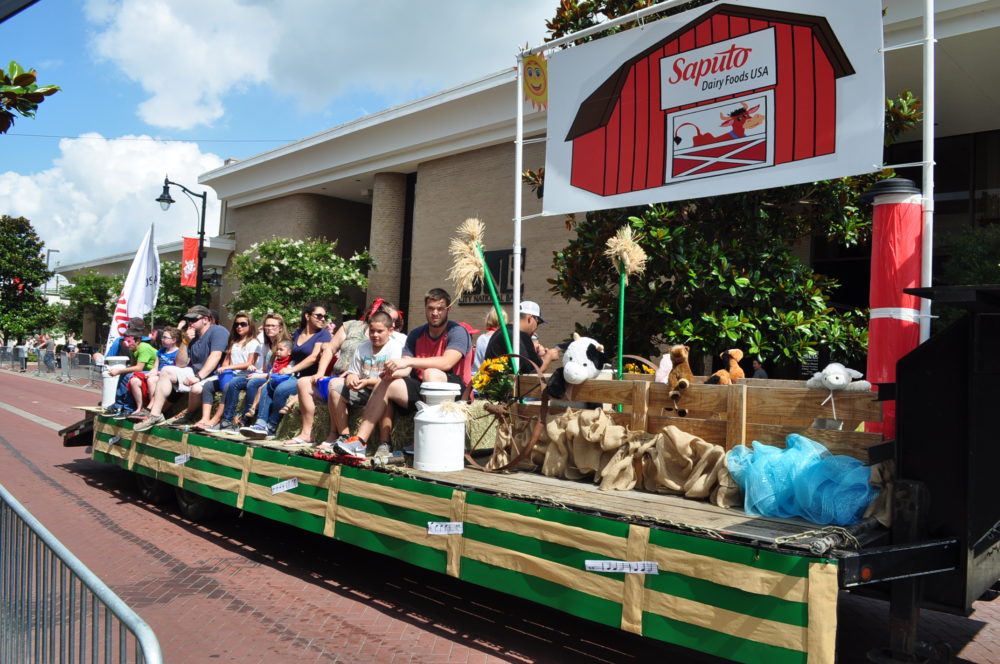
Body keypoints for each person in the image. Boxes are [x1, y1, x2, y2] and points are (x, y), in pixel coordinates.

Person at [335, 288, 472, 458]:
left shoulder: (457, 331)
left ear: (448, 310)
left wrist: (409, 361)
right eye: (431, 308)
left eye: (440, 308)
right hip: (422, 389)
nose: (435, 313)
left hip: (453, 393)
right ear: (425, 309)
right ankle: (359, 442)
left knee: (431, 373)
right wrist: (392, 371)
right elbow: (405, 368)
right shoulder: (416, 334)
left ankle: (426, 437)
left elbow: (447, 362)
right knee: (385, 382)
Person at [288, 299, 405, 446]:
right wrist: (323, 373)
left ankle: (344, 436)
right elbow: (331, 349)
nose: (375, 333)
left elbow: (394, 374)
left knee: (336, 385)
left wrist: (358, 378)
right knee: (308, 382)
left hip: (372, 384)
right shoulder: (353, 330)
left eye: (393, 321)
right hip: (348, 380)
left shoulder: (394, 343)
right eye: (373, 330)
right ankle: (312, 433)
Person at [240, 302, 331, 439]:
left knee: (281, 390)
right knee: (267, 386)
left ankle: (272, 426)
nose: (323, 319)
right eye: (319, 315)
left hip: (308, 378)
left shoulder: (323, 335)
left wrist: (290, 370)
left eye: (325, 316)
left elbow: (314, 358)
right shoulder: (298, 333)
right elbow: (284, 350)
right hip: (292, 374)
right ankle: (260, 423)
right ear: (307, 316)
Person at [134, 306, 230, 432]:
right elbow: (180, 364)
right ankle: (155, 414)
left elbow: (215, 356)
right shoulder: (192, 337)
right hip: (195, 372)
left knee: (196, 388)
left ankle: (188, 415)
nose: (190, 323)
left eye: (194, 320)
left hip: (216, 373)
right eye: (189, 320)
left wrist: (198, 377)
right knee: (167, 370)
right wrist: (185, 342)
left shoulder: (218, 331)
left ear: (206, 320)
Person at [194, 312, 260, 430]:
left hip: (246, 376)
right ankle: (205, 417)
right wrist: (223, 369)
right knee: (208, 385)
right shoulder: (233, 342)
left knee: (228, 386)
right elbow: (226, 361)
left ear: (250, 326)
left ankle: (218, 418)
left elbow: (250, 363)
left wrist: (227, 368)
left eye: (243, 324)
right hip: (231, 374)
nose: (239, 326)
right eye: (236, 324)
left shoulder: (253, 343)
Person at [484, 301, 561, 374]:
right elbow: (532, 373)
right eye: (538, 323)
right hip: (504, 386)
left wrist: (539, 357)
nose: (537, 327)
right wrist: (549, 357)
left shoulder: (504, 331)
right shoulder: (519, 336)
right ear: (530, 318)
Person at [102, 326, 158, 417]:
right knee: (125, 374)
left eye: (129, 341)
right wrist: (122, 371)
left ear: (138, 340)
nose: (126, 344)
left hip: (152, 372)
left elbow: (139, 368)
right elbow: (133, 365)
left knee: (128, 376)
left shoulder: (143, 348)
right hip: (143, 372)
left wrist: (119, 370)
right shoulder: (133, 348)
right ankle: (118, 405)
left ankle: (129, 407)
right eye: (125, 341)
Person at [129, 326, 183, 418]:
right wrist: (152, 372)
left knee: (152, 380)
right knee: (134, 379)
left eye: (165, 337)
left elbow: (176, 369)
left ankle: (153, 408)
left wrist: (157, 373)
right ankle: (139, 408)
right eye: (162, 337)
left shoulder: (178, 352)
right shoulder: (161, 351)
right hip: (157, 374)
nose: (162, 339)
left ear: (173, 340)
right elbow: (155, 367)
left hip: (167, 377)